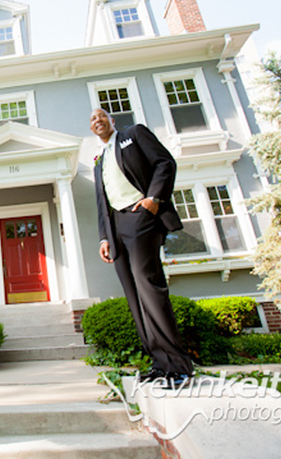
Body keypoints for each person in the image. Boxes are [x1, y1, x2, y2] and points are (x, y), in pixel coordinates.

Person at [90, 108, 193, 386]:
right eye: (92, 120)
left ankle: (178, 365)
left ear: (112, 121)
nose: (97, 120)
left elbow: (164, 163)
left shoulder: (133, 135)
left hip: (140, 215)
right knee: (134, 295)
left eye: (101, 116)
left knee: (149, 286)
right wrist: (104, 238)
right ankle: (159, 364)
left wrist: (153, 199)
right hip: (116, 229)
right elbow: (102, 204)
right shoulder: (98, 161)